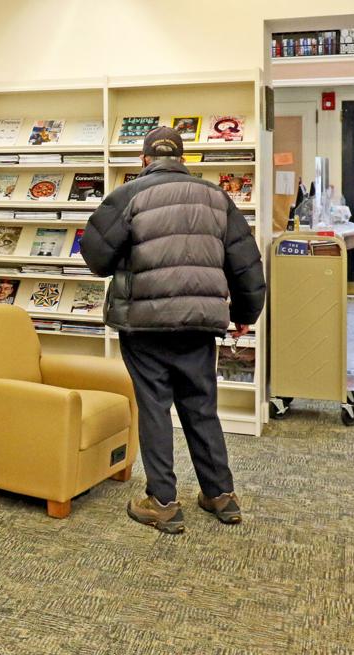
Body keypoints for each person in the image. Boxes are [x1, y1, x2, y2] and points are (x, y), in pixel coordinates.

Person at [80, 126, 266, 535]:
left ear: (144, 160)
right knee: (201, 406)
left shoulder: (128, 196)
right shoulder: (217, 197)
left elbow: (95, 256)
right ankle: (221, 495)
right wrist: (246, 314)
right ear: (183, 159)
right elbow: (246, 262)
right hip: (199, 322)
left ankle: (162, 502)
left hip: (144, 325)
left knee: (154, 408)